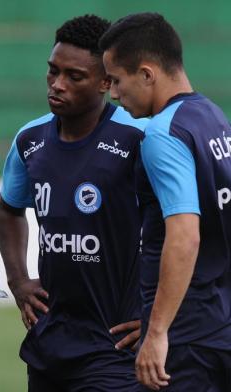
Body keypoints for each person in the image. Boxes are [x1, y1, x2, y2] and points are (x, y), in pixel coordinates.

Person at [0, 15, 149, 391]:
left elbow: (190, 225)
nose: (57, 85)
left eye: (74, 76)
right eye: (53, 71)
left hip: (115, 348)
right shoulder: (29, 140)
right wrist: (17, 280)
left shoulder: (139, 139)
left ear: (105, 82)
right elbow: (9, 208)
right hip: (50, 343)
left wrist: (160, 316)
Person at [100, 12, 231, 391]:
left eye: (117, 80)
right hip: (219, 327)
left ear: (146, 73)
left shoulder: (163, 133)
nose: (112, 94)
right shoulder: (212, 118)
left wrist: (156, 331)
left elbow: (184, 235)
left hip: (187, 339)